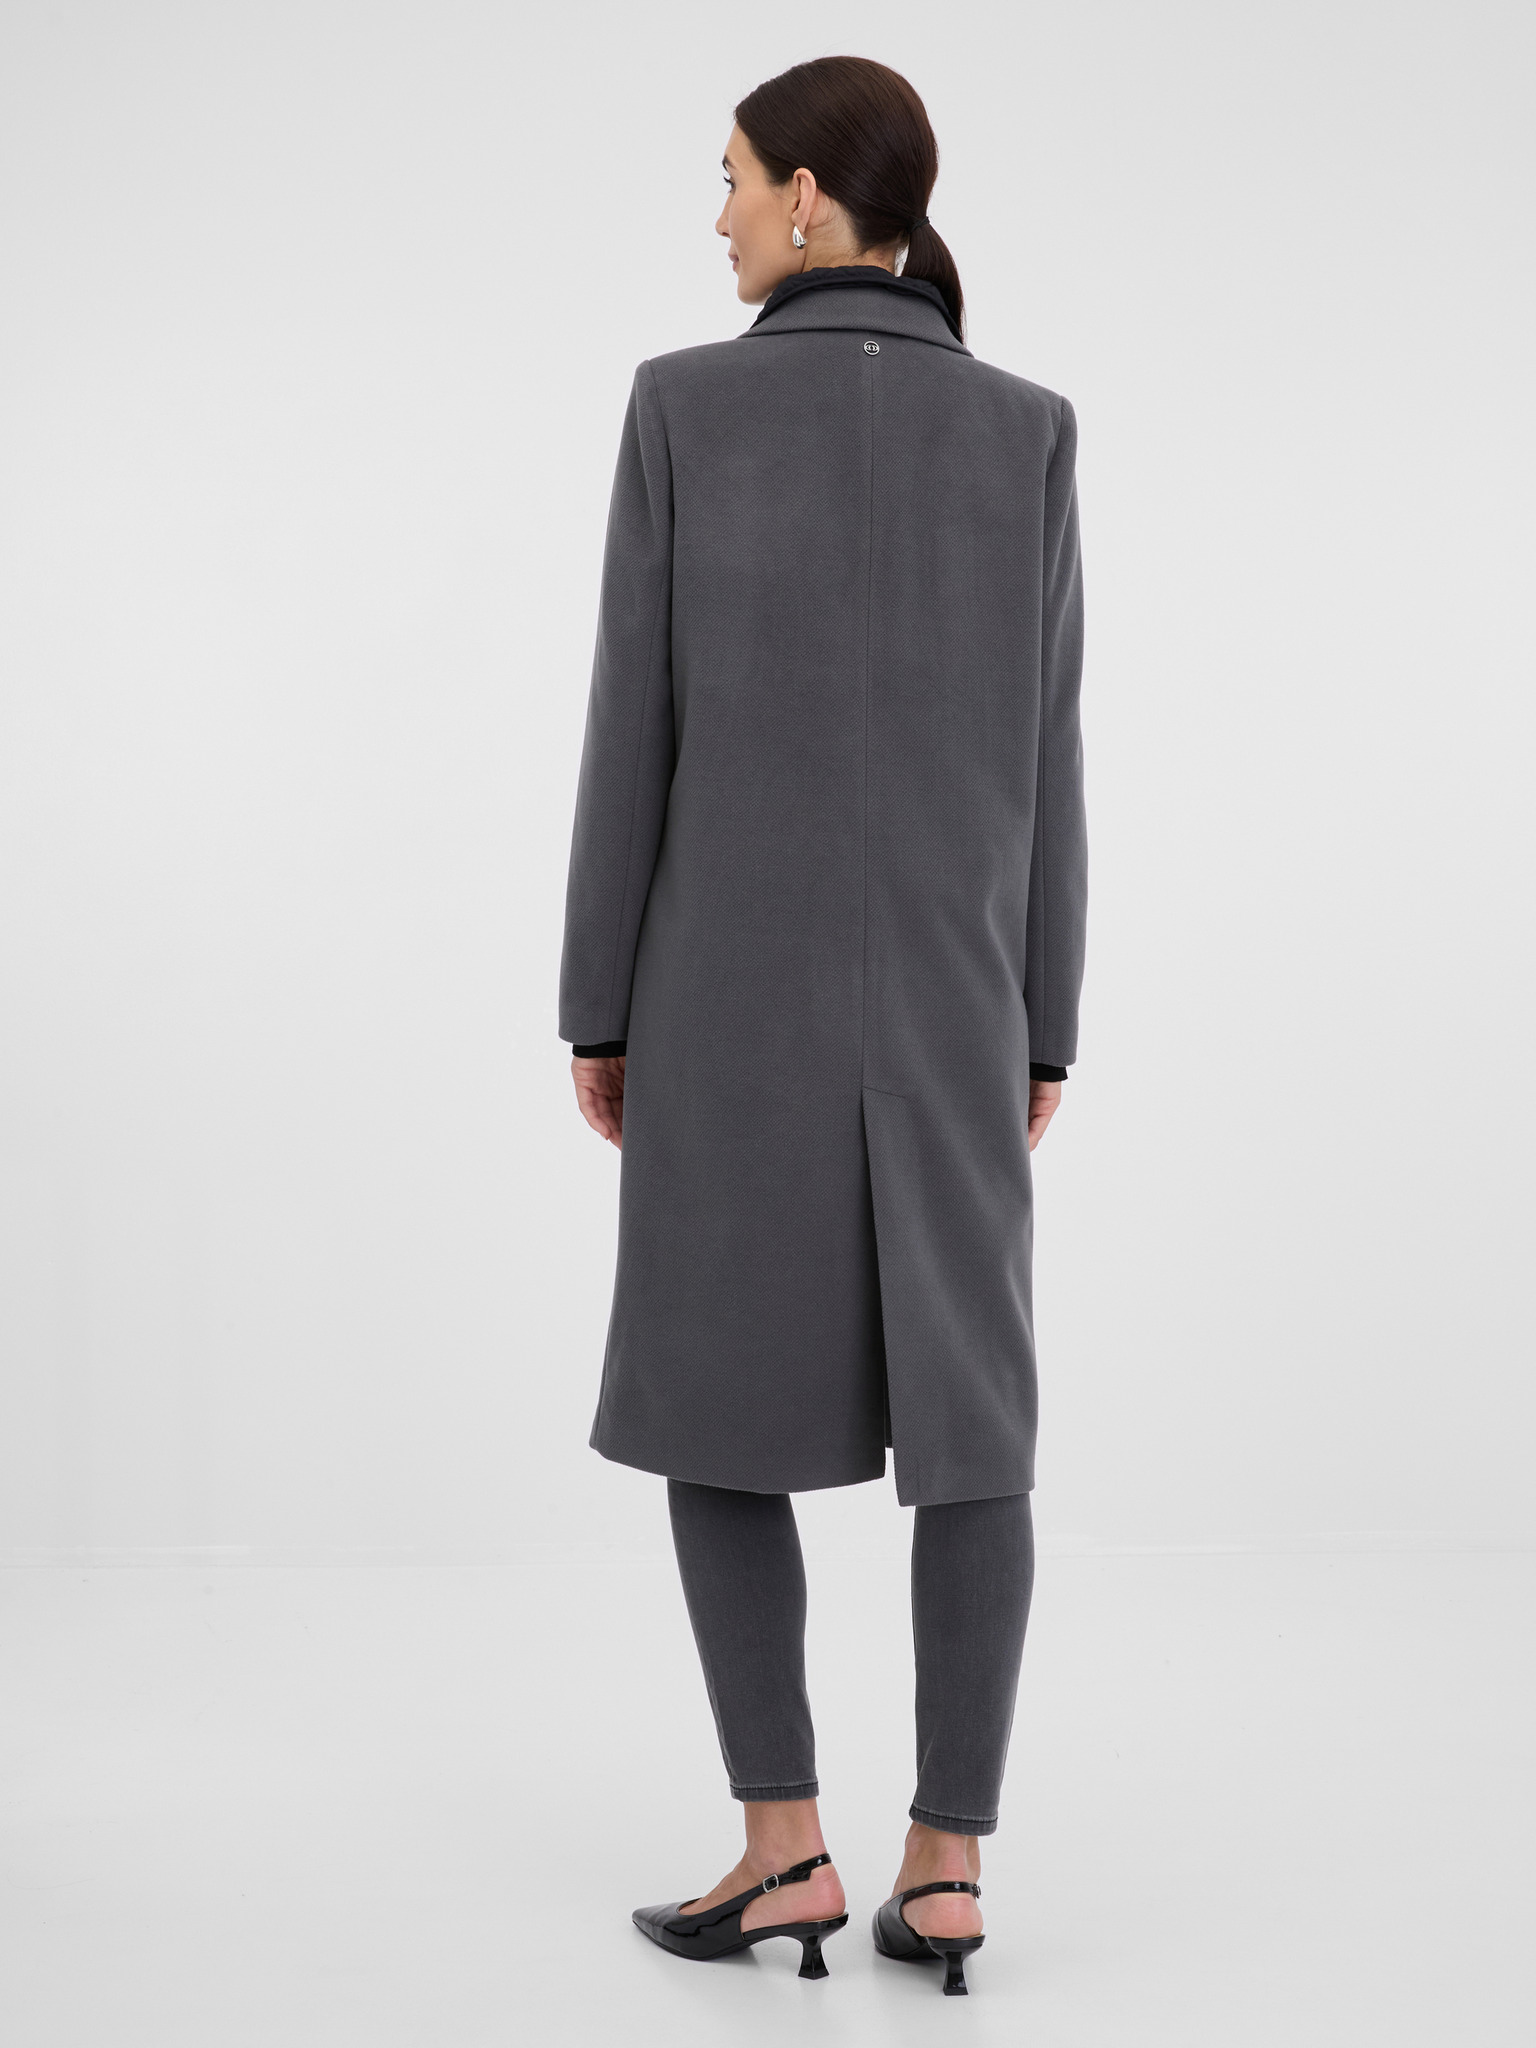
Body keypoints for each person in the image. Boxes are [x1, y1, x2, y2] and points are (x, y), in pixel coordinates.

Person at [558, 54, 1086, 1998]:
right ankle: (948, 1868)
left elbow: (633, 733)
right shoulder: (1027, 432)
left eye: (728, 179)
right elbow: (1050, 758)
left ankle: (782, 1849)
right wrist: (1046, 1024)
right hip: (958, 1000)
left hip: (721, 996)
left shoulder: (683, 409)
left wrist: (596, 1002)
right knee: (975, 1426)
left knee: (716, 1408)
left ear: (804, 199)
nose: (714, 216)